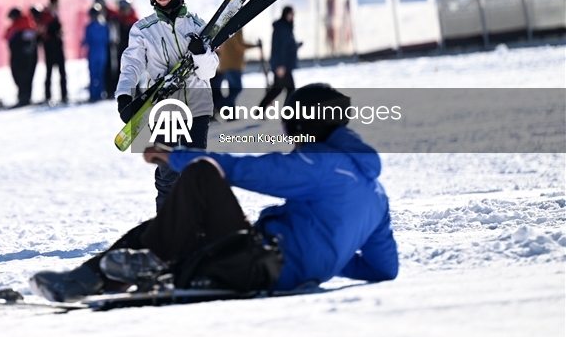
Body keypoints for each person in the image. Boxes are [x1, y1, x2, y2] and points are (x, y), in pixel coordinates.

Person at [30, 84, 399, 302]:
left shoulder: (322, 165)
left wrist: (175, 156)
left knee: (202, 173)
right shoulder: (375, 193)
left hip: (261, 264)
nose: (287, 133)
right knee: (167, 226)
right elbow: (384, 268)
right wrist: (333, 255)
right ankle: (90, 279)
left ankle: (141, 266)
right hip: (266, 260)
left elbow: (249, 171)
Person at [115, 0, 219, 211]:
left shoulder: (199, 26)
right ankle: (167, 222)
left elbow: (209, 72)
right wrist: (124, 95)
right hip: (163, 106)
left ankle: (196, 221)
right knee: (168, 171)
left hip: (197, 106)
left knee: (194, 167)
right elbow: (131, 65)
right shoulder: (143, 29)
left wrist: (201, 54)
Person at [210, 29, 259, 115]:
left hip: (229, 65)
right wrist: (255, 45)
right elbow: (240, 46)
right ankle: (218, 105)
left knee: (232, 90)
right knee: (237, 89)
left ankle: (231, 115)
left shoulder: (231, 28)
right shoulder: (236, 29)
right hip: (232, 65)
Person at [259, 6, 300, 109]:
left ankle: (260, 110)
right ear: (286, 14)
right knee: (290, 90)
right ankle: (287, 113)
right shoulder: (281, 28)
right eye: (291, 14)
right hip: (282, 66)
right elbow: (278, 48)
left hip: (284, 65)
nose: (293, 16)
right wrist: (280, 65)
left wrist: (295, 46)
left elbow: (288, 46)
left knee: (277, 90)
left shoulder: (287, 27)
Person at [4, 7, 38, 107]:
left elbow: (7, 38)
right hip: (29, 57)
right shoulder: (29, 26)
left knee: (21, 77)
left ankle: (23, 99)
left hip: (19, 58)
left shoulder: (18, 27)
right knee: (27, 78)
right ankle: (25, 98)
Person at [38, 0, 67, 105]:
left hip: (58, 46)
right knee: (49, 72)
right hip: (50, 47)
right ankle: (48, 96)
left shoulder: (55, 15)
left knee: (62, 72)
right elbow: (43, 32)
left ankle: (64, 95)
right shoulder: (46, 15)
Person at [82, 6, 109, 103]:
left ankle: (93, 94)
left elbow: (86, 40)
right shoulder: (103, 26)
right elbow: (106, 39)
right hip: (102, 52)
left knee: (93, 74)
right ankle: (100, 93)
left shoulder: (89, 27)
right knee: (100, 74)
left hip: (93, 52)